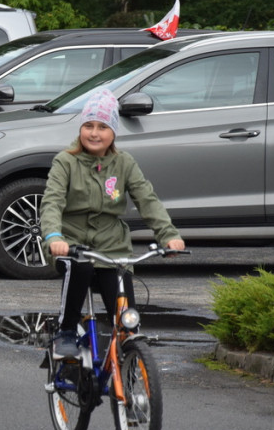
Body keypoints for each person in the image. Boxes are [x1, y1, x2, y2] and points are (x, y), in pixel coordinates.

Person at [40, 88, 186, 360]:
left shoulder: (124, 163)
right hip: (71, 244)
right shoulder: (66, 161)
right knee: (80, 267)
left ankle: (132, 367)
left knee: (126, 321)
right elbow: (52, 202)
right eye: (89, 126)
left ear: (113, 133)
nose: (94, 133)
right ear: (81, 128)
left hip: (113, 248)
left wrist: (169, 235)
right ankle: (66, 332)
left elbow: (148, 199)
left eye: (103, 127)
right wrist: (53, 236)